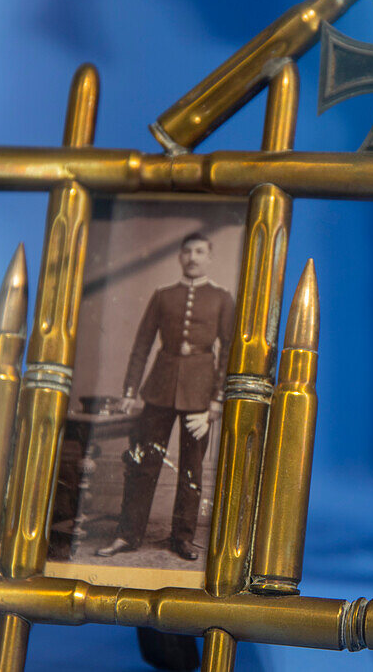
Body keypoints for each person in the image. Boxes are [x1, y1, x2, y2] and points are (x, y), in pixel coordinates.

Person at [97, 232, 235, 561]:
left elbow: (228, 350)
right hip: (159, 389)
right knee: (144, 464)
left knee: (192, 468)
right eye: (187, 251)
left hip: (200, 396)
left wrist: (217, 402)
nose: (193, 257)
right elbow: (142, 345)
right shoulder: (163, 296)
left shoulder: (222, 298)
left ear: (209, 257)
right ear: (179, 257)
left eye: (200, 251)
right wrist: (130, 392)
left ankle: (183, 538)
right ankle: (127, 536)